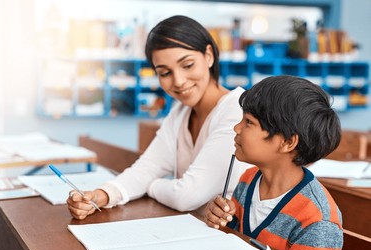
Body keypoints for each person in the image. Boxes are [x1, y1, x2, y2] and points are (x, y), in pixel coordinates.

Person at [67, 15, 250, 220]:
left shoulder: (237, 111)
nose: (179, 81)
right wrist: (100, 196)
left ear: (208, 55)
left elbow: (186, 196)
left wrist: (151, 185)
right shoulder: (180, 112)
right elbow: (148, 167)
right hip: (194, 228)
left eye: (187, 65)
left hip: (234, 237)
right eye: (165, 73)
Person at [204, 75, 343, 250]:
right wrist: (221, 220)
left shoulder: (317, 222)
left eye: (248, 122)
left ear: (287, 142)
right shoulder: (249, 178)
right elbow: (233, 243)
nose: (236, 128)